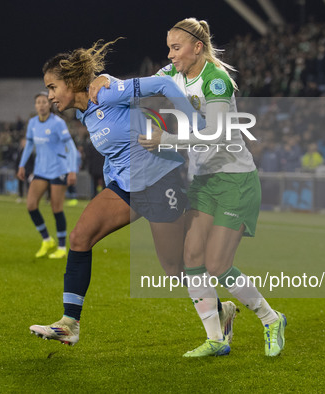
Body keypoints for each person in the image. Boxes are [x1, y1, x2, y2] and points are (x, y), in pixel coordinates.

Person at [90, 18, 286, 357]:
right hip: (203, 180)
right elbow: (143, 84)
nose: (170, 54)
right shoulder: (175, 75)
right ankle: (217, 339)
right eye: (169, 47)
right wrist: (110, 81)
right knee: (191, 259)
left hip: (233, 179)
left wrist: (167, 140)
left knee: (218, 264)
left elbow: (217, 133)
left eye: (176, 48)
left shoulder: (216, 80)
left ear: (197, 47)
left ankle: (271, 319)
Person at [29, 39, 237, 349]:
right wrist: (110, 180)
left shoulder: (108, 91)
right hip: (126, 187)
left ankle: (222, 310)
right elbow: (118, 151)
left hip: (160, 180)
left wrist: (195, 122)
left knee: (174, 267)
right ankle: (69, 324)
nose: (49, 96)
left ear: (71, 83)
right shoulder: (85, 114)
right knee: (79, 238)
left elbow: (164, 84)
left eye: (52, 87)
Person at [17, 92, 79, 259]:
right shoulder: (32, 123)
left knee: (56, 208)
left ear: (49, 104)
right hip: (40, 170)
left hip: (59, 169)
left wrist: (72, 169)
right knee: (31, 205)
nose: (41, 105)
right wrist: (22, 165)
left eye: (44, 102)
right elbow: (29, 144)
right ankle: (46, 239)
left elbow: (71, 147)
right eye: (38, 102)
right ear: (35, 105)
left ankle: (61, 247)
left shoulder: (58, 123)